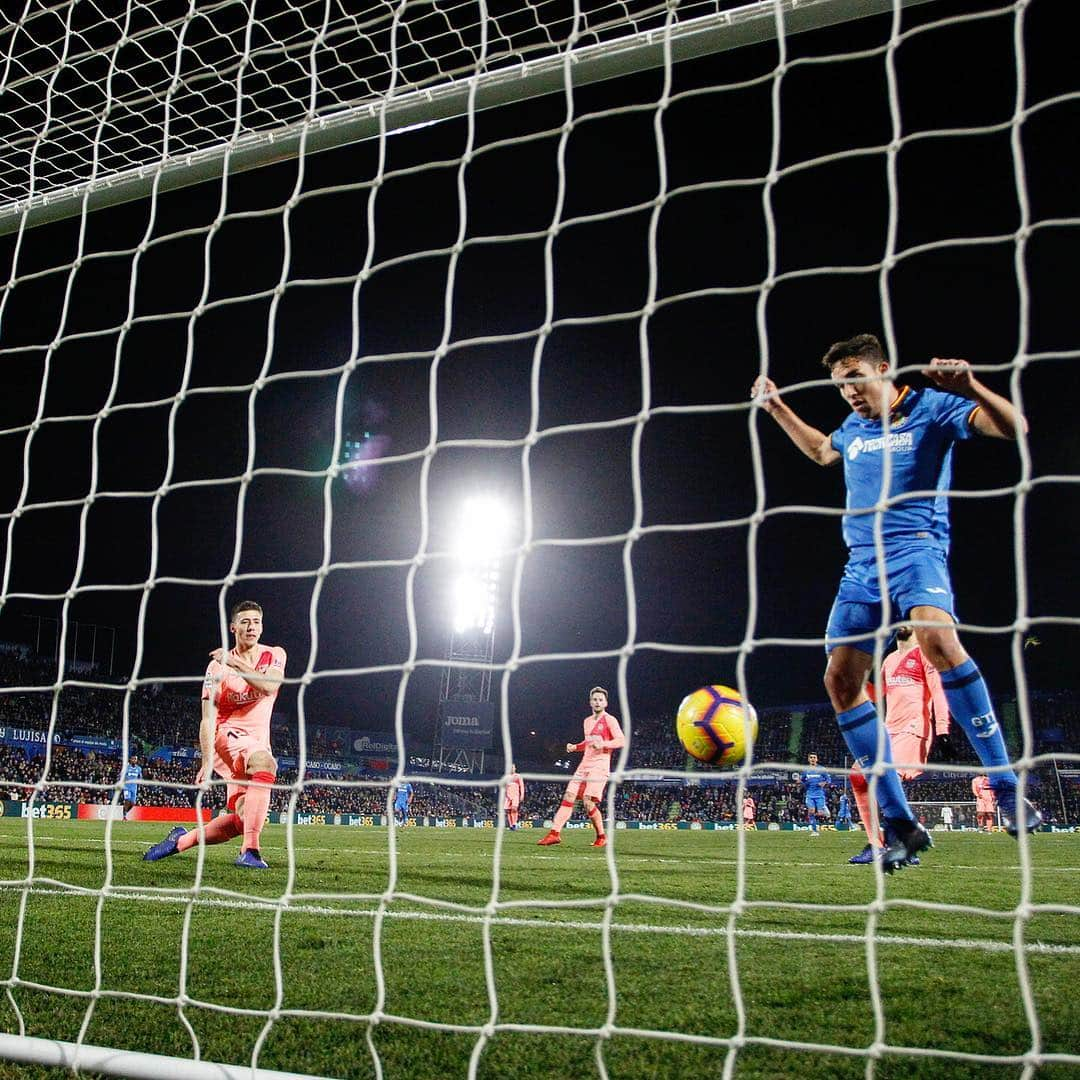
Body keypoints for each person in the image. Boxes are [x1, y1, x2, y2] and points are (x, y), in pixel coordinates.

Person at [752, 334, 1040, 872]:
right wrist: (776, 407)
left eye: (857, 378)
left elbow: (1013, 428)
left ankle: (1005, 788)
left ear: (883, 368)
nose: (851, 393)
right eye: (841, 386)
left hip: (917, 551)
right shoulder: (853, 428)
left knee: (935, 638)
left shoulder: (932, 408)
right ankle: (900, 824)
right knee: (839, 681)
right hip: (861, 566)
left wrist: (970, 385)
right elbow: (820, 450)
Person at [144, 601, 286, 869]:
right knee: (266, 763)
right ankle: (250, 852)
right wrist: (207, 760)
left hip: (257, 742)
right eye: (245, 622)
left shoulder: (274, 654)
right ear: (233, 627)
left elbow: (270, 685)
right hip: (227, 737)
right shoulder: (216, 670)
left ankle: (182, 840)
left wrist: (235, 662)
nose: (251, 626)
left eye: (256, 621)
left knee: (244, 818)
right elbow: (207, 718)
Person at [848, 624, 950, 864]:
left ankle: (903, 843)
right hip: (889, 730)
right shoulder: (890, 660)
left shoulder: (926, 655)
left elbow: (938, 692)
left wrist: (943, 729)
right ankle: (876, 845)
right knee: (857, 775)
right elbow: (879, 694)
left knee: (886, 775)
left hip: (913, 728)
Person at [538, 687, 625, 848]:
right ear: (590, 702)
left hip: (600, 764)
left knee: (587, 802)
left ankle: (601, 836)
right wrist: (576, 747)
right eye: (595, 699)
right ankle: (554, 834)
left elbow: (621, 740)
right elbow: (588, 743)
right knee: (569, 796)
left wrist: (604, 743)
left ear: (605, 703)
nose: (597, 702)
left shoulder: (610, 720)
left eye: (600, 699)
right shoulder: (587, 721)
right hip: (584, 764)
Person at [800, 753, 831, 837]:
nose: (812, 759)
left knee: (820, 813)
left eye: (814, 757)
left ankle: (824, 808)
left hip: (819, 795)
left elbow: (829, 779)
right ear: (808, 759)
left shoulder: (822, 769)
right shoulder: (805, 770)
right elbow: (802, 780)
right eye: (811, 757)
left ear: (817, 759)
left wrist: (824, 783)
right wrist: (801, 783)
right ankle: (814, 831)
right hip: (810, 794)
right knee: (811, 811)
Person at [505, 764, 525, 830]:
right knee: (508, 810)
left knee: (514, 808)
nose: (511, 769)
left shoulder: (518, 776)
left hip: (515, 795)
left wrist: (522, 794)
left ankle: (514, 824)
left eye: (512, 767)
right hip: (508, 796)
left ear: (515, 768)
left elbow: (521, 786)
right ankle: (511, 825)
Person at [122, 755, 142, 819]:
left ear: (136, 760)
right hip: (126, 787)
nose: (134, 760)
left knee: (133, 803)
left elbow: (140, 777)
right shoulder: (126, 768)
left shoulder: (139, 769)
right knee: (127, 800)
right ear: (130, 760)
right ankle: (124, 816)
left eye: (135, 759)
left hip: (134, 788)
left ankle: (125, 812)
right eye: (133, 759)